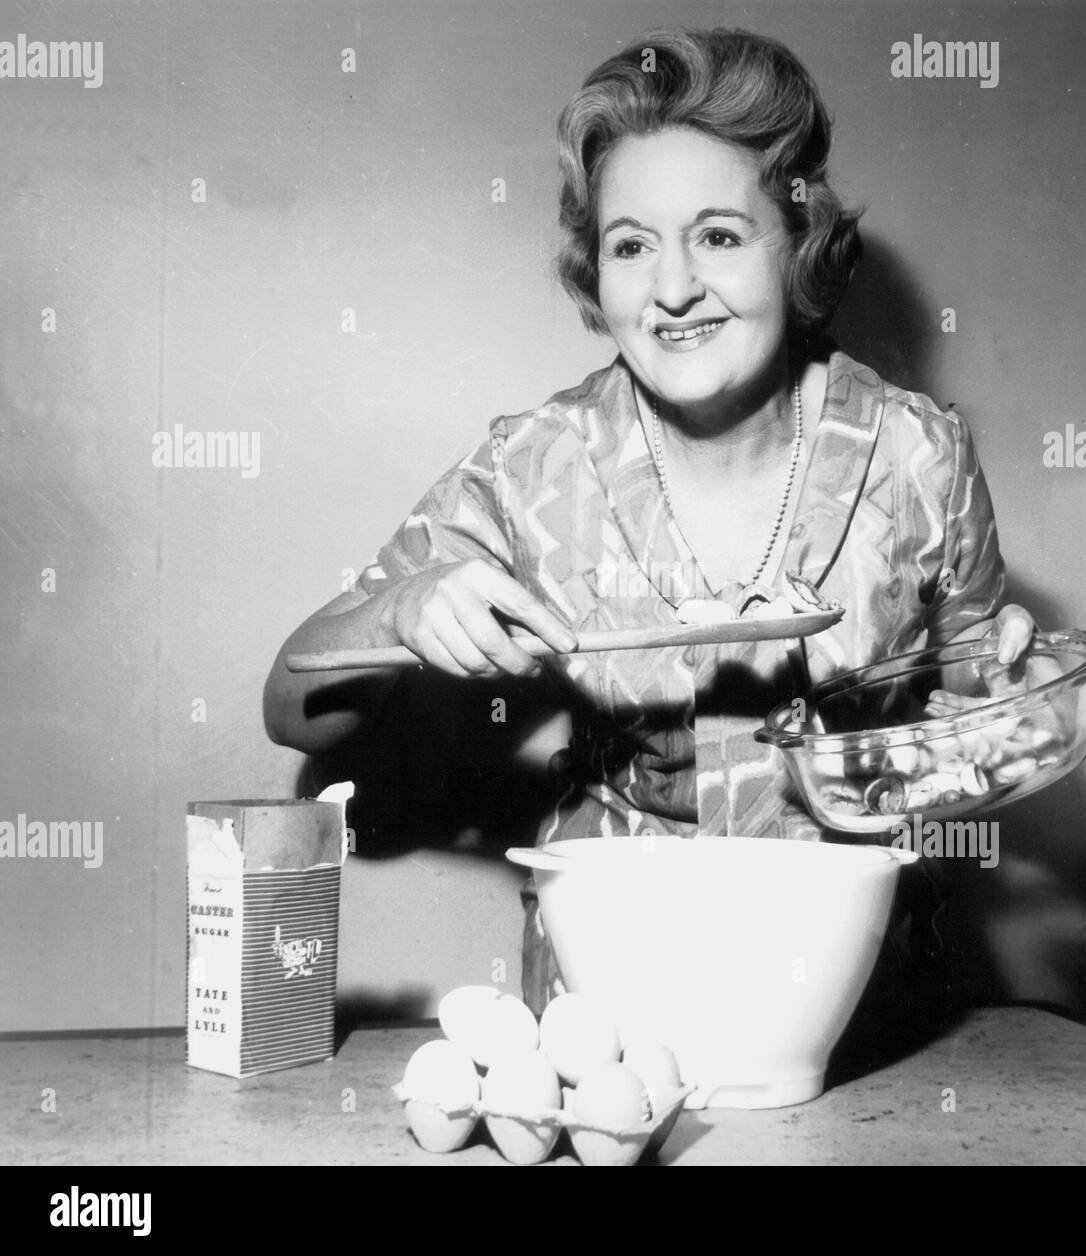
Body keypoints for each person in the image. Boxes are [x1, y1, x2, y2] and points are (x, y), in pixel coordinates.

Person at [263, 28, 1036, 1012]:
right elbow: (292, 702)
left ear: (796, 238)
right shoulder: (534, 465)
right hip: (611, 981)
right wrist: (402, 612)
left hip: (855, 986)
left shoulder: (918, 454)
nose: (672, 289)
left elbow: (970, 697)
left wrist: (1005, 690)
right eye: (631, 245)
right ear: (596, 268)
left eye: (718, 234)